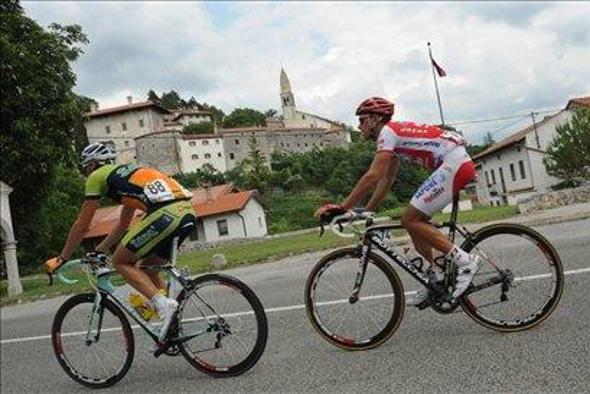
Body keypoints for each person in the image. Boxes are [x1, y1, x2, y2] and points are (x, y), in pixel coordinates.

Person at [314, 97, 481, 305]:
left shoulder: (387, 133)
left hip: (454, 163)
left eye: (362, 120)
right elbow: (386, 178)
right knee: (413, 223)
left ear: (375, 119)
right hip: (454, 162)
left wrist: (342, 207)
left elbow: (372, 176)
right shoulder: (392, 137)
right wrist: (367, 210)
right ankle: (433, 279)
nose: (359, 126)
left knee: (410, 219)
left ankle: (465, 261)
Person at [45, 142, 196, 341]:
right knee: (148, 268)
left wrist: (62, 258)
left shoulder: (96, 177)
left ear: (91, 165)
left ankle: (164, 305)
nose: (86, 172)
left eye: (86, 167)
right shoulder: (127, 176)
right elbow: (124, 224)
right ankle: (171, 329)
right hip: (187, 212)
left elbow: (82, 225)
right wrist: (100, 250)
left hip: (165, 213)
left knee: (121, 262)